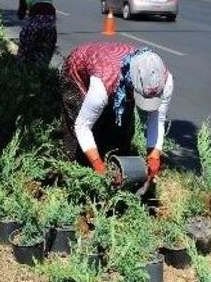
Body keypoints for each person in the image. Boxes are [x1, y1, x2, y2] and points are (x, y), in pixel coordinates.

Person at [62, 42, 173, 180]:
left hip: (113, 75)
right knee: (82, 136)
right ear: (131, 84)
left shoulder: (164, 80)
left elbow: (158, 119)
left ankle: (117, 171)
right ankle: (73, 176)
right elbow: (82, 126)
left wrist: (154, 156)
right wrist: (98, 166)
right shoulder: (102, 86)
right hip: (79, 71)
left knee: (122, 131)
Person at [16, 0, 58, 67]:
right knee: (48, 47)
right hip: (51, 23)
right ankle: (43, 69)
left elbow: (21, 15)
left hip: (36, 22)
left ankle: (21, 68)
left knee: (25, 46)